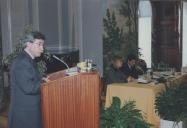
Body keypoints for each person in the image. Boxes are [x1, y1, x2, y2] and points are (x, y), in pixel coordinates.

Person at [8, 31, 49, 128]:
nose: (42, 48)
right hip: (25, 114)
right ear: (29, 44)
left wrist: (41, 78)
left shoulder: (28, 59)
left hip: (30, 111)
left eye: (42, 45)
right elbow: (29, 87)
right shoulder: (22, 62)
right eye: (39, 44)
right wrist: (44, 82)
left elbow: (31, 78)